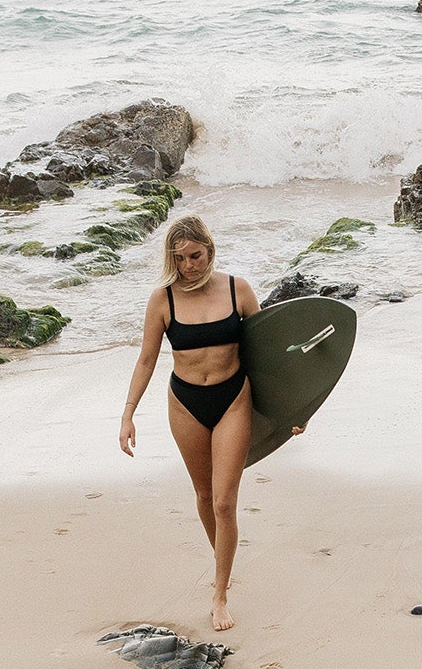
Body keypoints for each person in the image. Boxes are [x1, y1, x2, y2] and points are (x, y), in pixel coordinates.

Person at [119, 215, 295, 631]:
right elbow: (146, 358)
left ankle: (219, 593)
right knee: (202, 495)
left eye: (195, 256)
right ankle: (224, 564)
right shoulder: (163, 299)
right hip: (185, 403)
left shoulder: (239, 290)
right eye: (179, 259)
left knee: (223, 501)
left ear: (209, 250)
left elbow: (268, 355)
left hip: (233, 399)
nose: (188, 266)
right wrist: (128, 413)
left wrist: (293, 411)